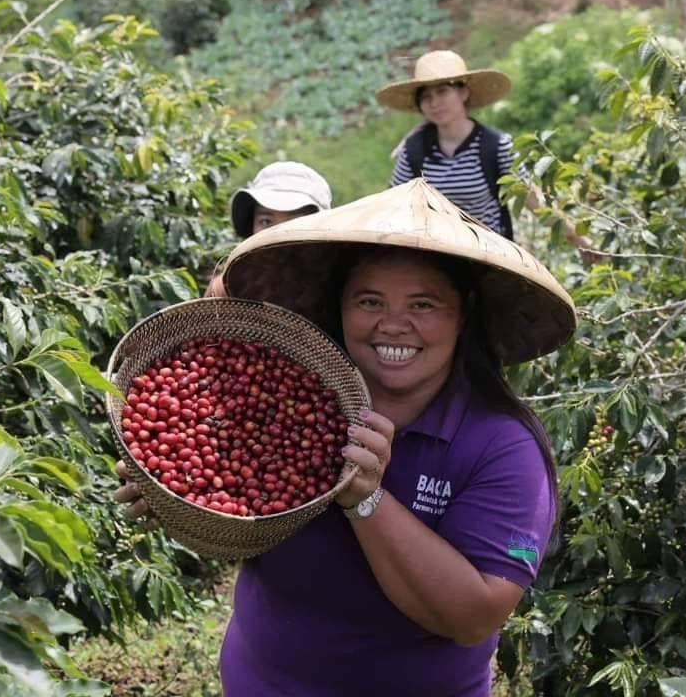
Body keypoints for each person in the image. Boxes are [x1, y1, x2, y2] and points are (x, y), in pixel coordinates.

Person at [115, 178, 577, 696]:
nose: (393, 324)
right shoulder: (285, 401)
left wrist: (366, 498)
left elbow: (474, 616)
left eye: (423, 305)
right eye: (369, 301)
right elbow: (248, 525)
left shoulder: (501, 446)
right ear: (340, 308)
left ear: (462, 316)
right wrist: (178, 504)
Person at [376, 49, 595, 257]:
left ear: (463, 92)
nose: (435, 103)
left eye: (442, 91)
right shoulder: (414, 149)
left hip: (489, 256)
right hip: (435, 258)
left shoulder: (495, 146)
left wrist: (578, 239)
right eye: (426, 96)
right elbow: (393, 206)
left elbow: (534, 202)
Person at [204, 160, 332, 297]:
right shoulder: (227, 289)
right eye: (266, 222)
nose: (278, 235)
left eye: (295, 222)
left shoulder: (343, 286)